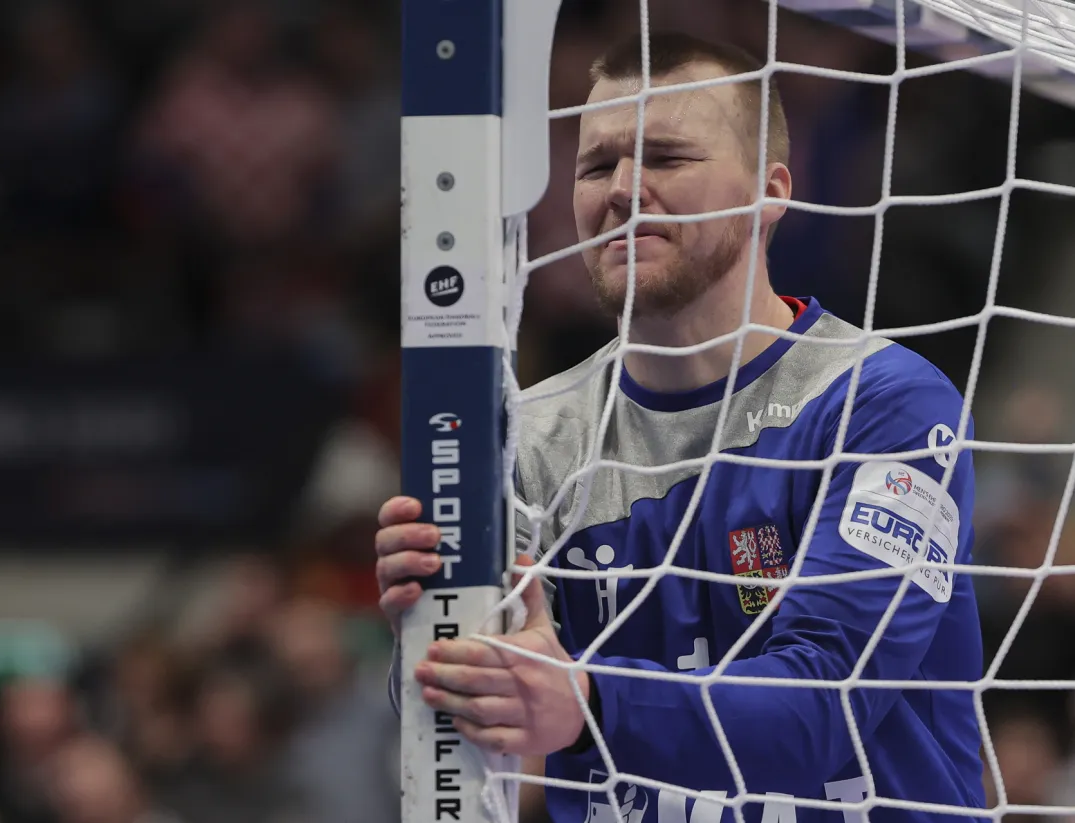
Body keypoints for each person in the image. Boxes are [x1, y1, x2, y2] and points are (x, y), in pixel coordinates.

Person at [376, 30, 985, 823]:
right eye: (596, 165)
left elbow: (823, 706)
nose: (623, 190)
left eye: (665, 158)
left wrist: (588, 703)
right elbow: (467, 720)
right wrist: (434, 626)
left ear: (771, 190)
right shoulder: (528, 436)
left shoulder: (880, 403)